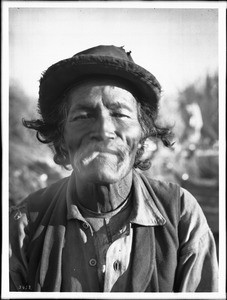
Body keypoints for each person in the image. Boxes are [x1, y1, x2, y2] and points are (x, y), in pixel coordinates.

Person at [9, 45, 218, 292]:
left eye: (120, 114)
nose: (104, 131)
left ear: (143, 137)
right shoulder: (24, 225)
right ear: (61, 140)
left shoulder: (181, 213)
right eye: (83, 116)